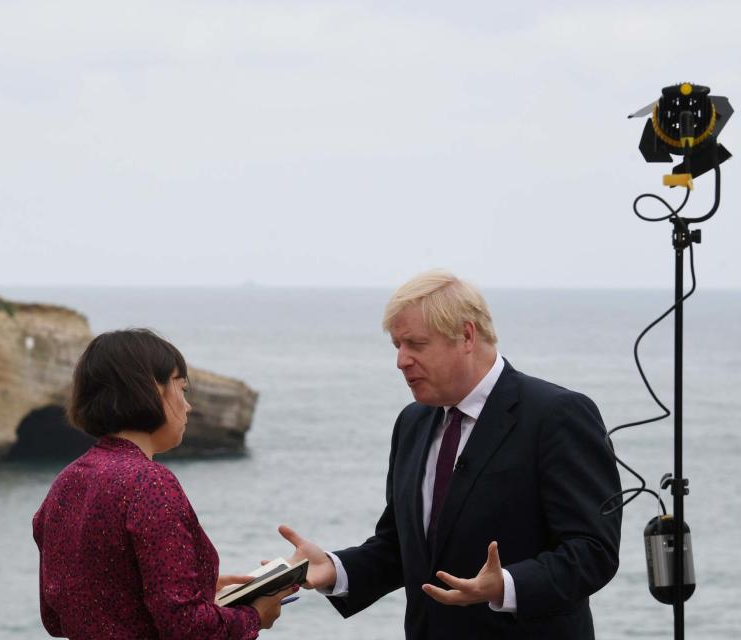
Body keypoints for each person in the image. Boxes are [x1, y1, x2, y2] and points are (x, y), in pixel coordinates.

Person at [280, 270, 622, 639]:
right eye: (397, 345)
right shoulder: (412, 422)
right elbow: (400, 547)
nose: (401, 360)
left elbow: (593, 551)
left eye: (415, 344)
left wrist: (506, 585)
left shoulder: (556, 414)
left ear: (467, 336)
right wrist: (334, 568)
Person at [33, 329, 295, 640]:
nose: (188, 406)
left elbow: (54, 618)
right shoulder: (149, 483)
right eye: (182, 388)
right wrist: (253, 616)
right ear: (151, 390)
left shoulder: (66, 482)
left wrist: (199, 592)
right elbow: (187, 627)